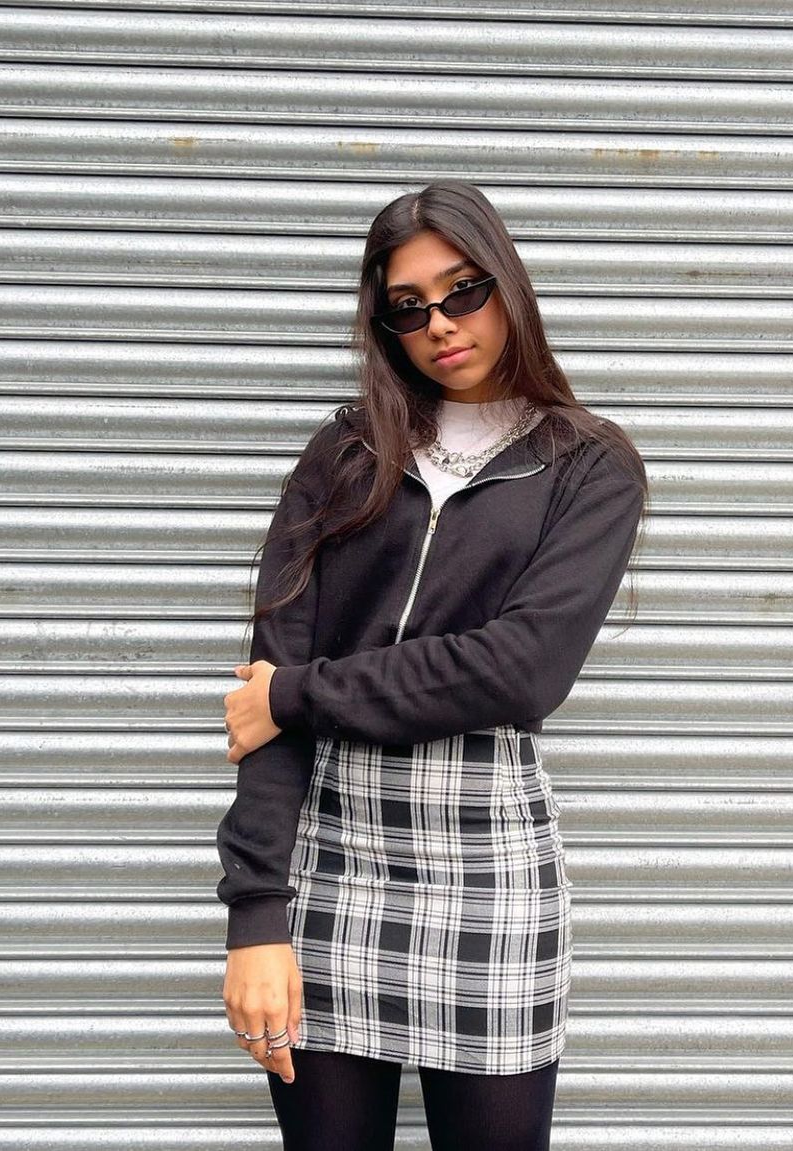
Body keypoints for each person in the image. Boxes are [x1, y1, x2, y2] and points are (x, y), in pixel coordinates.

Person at [216, 179, 648, 1150]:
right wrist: (256, 914)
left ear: (508, 285)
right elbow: (265, 688)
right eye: (407, 307)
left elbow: (522, 669)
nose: (440, 324)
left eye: (463, 290)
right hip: (329, 864)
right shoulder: (343, 455)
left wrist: (301, 694)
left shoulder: (589, 466)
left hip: (490, 869)